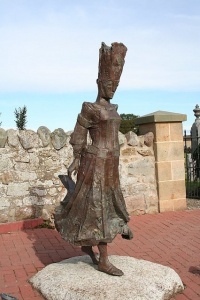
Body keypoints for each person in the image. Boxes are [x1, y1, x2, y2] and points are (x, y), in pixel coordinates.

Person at [55, 42, 133, 276]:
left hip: (111, 165)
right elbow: (79, 136)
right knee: (98, 209)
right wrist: (76, 159)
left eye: (116, 85)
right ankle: (104, 259)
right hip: (95, 164)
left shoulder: (114, 109)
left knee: (107, 205)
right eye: (109, 84)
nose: (112, 89)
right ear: (100, 83)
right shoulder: (90, 108)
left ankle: (90, 243)